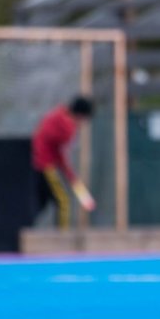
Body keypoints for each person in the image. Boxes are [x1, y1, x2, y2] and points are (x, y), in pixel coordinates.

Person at [31, 96, 96, 230]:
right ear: (80, 115)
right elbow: (61, 156)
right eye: (84, 120)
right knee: (63, 201)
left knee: (42, 202)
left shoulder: (58, 114)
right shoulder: (67, 126)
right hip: (46, 165)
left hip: (44, 163)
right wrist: (71, 177)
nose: (82, 125)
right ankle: (62, 239)